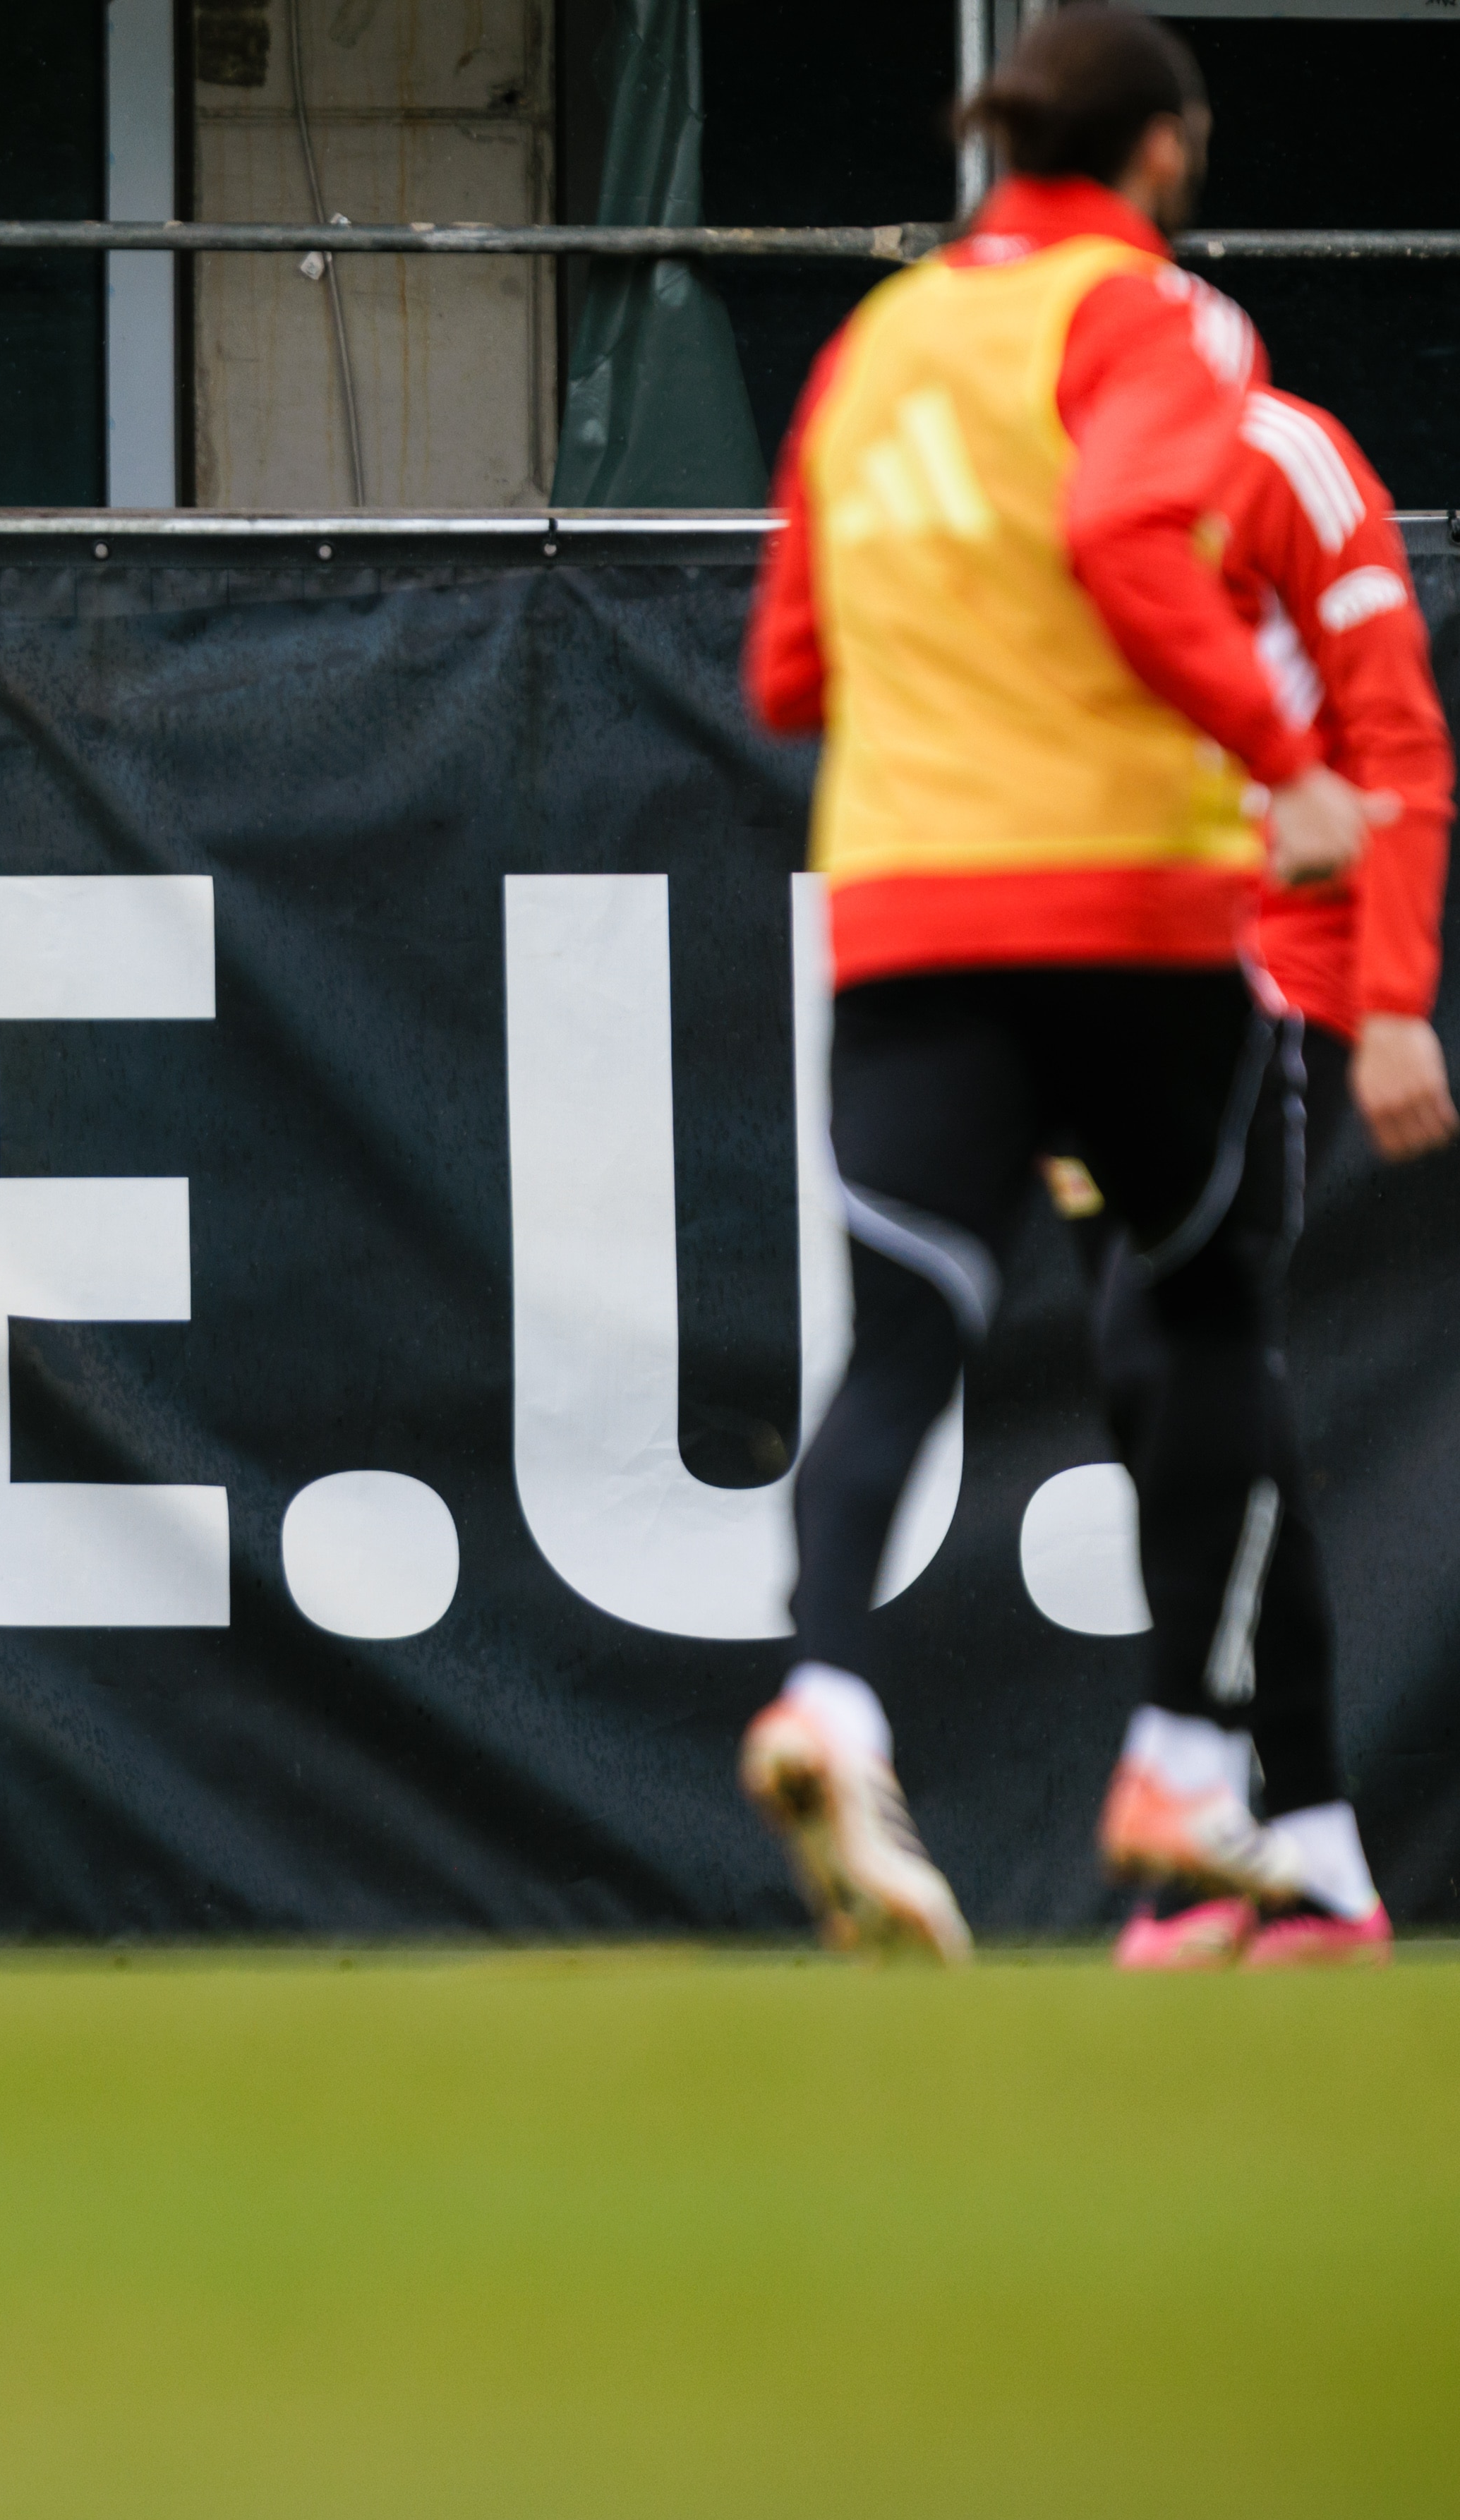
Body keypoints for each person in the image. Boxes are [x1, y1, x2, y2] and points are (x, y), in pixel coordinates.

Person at [735, 5, 1387, 1960]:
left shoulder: (879, 340)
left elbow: (785, 668)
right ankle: (1183, 1749)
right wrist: (1284, 765)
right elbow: (1121, 533)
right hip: (1130, 905)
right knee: (1206, 1311)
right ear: (1163, 152)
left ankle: (828, 1694)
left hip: (906, 899)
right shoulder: (1159, 316)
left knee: (899, 1341)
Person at [1057, 382, 1449, 1970]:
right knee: (1165, 1392)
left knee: (1187, 1358)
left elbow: (1397, 740)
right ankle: (1306, 1850)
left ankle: (1233, 1808)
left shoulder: (1284, 452)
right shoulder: (1038, 454)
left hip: (1269, 987)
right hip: (1108, 982)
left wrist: (1396, 1000)